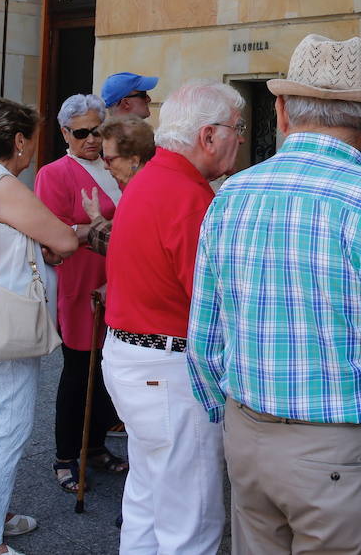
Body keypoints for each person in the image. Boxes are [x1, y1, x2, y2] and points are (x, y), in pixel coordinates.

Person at [188, 34, 361, 555]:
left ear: (281, 111)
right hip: (339, 451)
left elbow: (204, 338)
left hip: (249, 434)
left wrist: (230, 413)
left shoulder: (232, 195)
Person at [102, 80, 244, 555]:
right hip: (167, 370)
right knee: (191, 520)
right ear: (208, 136)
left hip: (134, 360)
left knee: (146, 501)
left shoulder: (150, 178)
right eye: (236, 129)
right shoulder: (189, 196)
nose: (240, 140)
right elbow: (212, 303)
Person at [0, 98, 78, 555]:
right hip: (5, 320)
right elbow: (62, 237)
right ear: (19, 140)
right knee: (7, 424)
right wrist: (78, 231)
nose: (32, 151)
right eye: (31, 141)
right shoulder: (4, 183)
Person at [32, 94, 127, 493]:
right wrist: (90, 229)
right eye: (82, 132)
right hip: (78, 283)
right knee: (78, 370)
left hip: (118, 279)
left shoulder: (116, 168)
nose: (91, 139)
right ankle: (66, 455)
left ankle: (96, 445)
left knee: (108, 367)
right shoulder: (55, 174)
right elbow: (49, 238)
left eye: (97, 131)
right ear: (65, 133)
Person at [74, 116, 157, 256]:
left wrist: (95, 217)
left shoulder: (145, 194)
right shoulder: (145, 186)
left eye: (109, 160)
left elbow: (123, 247)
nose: (105, 166)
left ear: (134, 161)